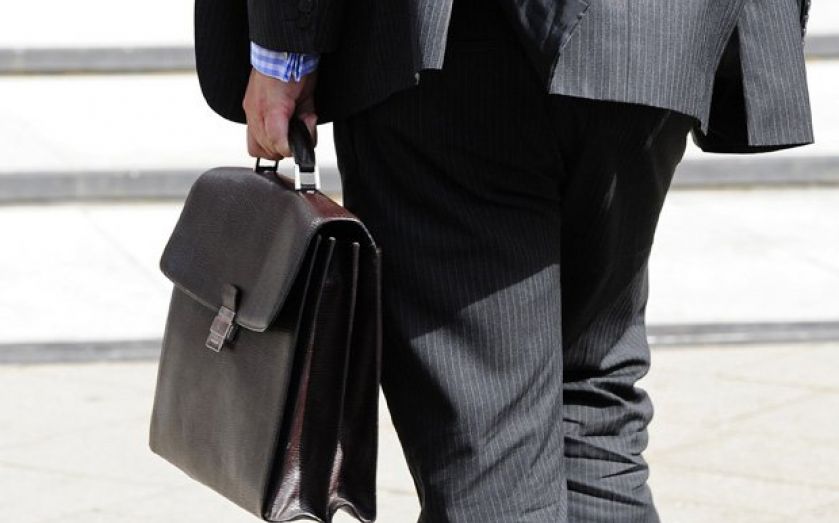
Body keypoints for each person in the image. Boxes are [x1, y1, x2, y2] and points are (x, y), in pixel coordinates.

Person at [194, 0, 814, 521]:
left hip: (454, 48)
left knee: (490, 443)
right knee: (592, 404)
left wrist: (286, 52)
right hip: (651, 37)